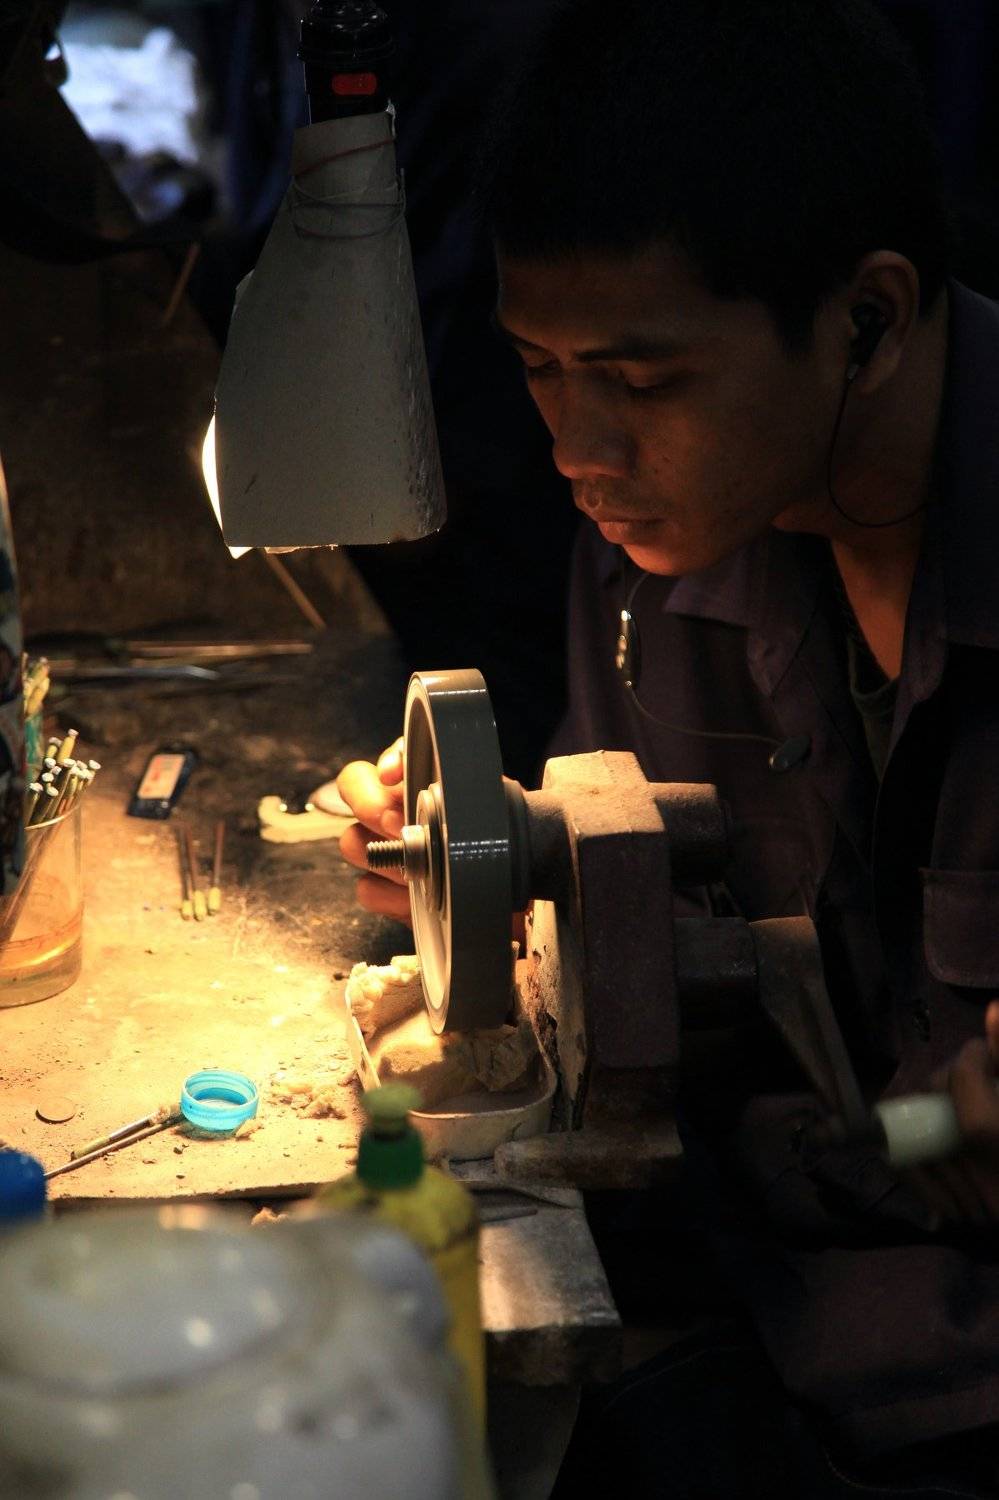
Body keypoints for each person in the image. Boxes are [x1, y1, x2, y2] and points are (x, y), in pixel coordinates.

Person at [326, 1, 999, 1493]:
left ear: (868, 319)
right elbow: (652, 921)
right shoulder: (657, 549)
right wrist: (492, 855)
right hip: (758, 1296)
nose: (579, 450)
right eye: (539, 368)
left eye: (640, 383)